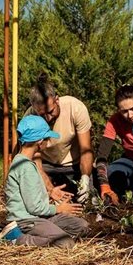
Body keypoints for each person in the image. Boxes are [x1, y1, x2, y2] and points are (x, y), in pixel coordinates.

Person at [0, 115, 89, 248]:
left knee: (82, 226)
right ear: (40, 141)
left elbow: (29, 196)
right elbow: (34, 208)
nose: (48, 141)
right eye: (47, 138)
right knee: (65, 243)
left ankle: (47, 235)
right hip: (26, 221)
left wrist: (49, 193)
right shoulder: (25, 167)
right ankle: (16, 238)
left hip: (38, 217)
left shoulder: (24, 162)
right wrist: (58, 209)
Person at [26, 74, 94, 203]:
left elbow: (86, 150)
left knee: (88, 199)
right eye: (42, 115)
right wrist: (50, 189)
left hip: (73, 165)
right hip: (45, 165)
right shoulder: (30, 118)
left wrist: (85, 177)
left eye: (51, 111)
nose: (48, 118)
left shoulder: (75, 108)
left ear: (57, 100)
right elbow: (35, 159)